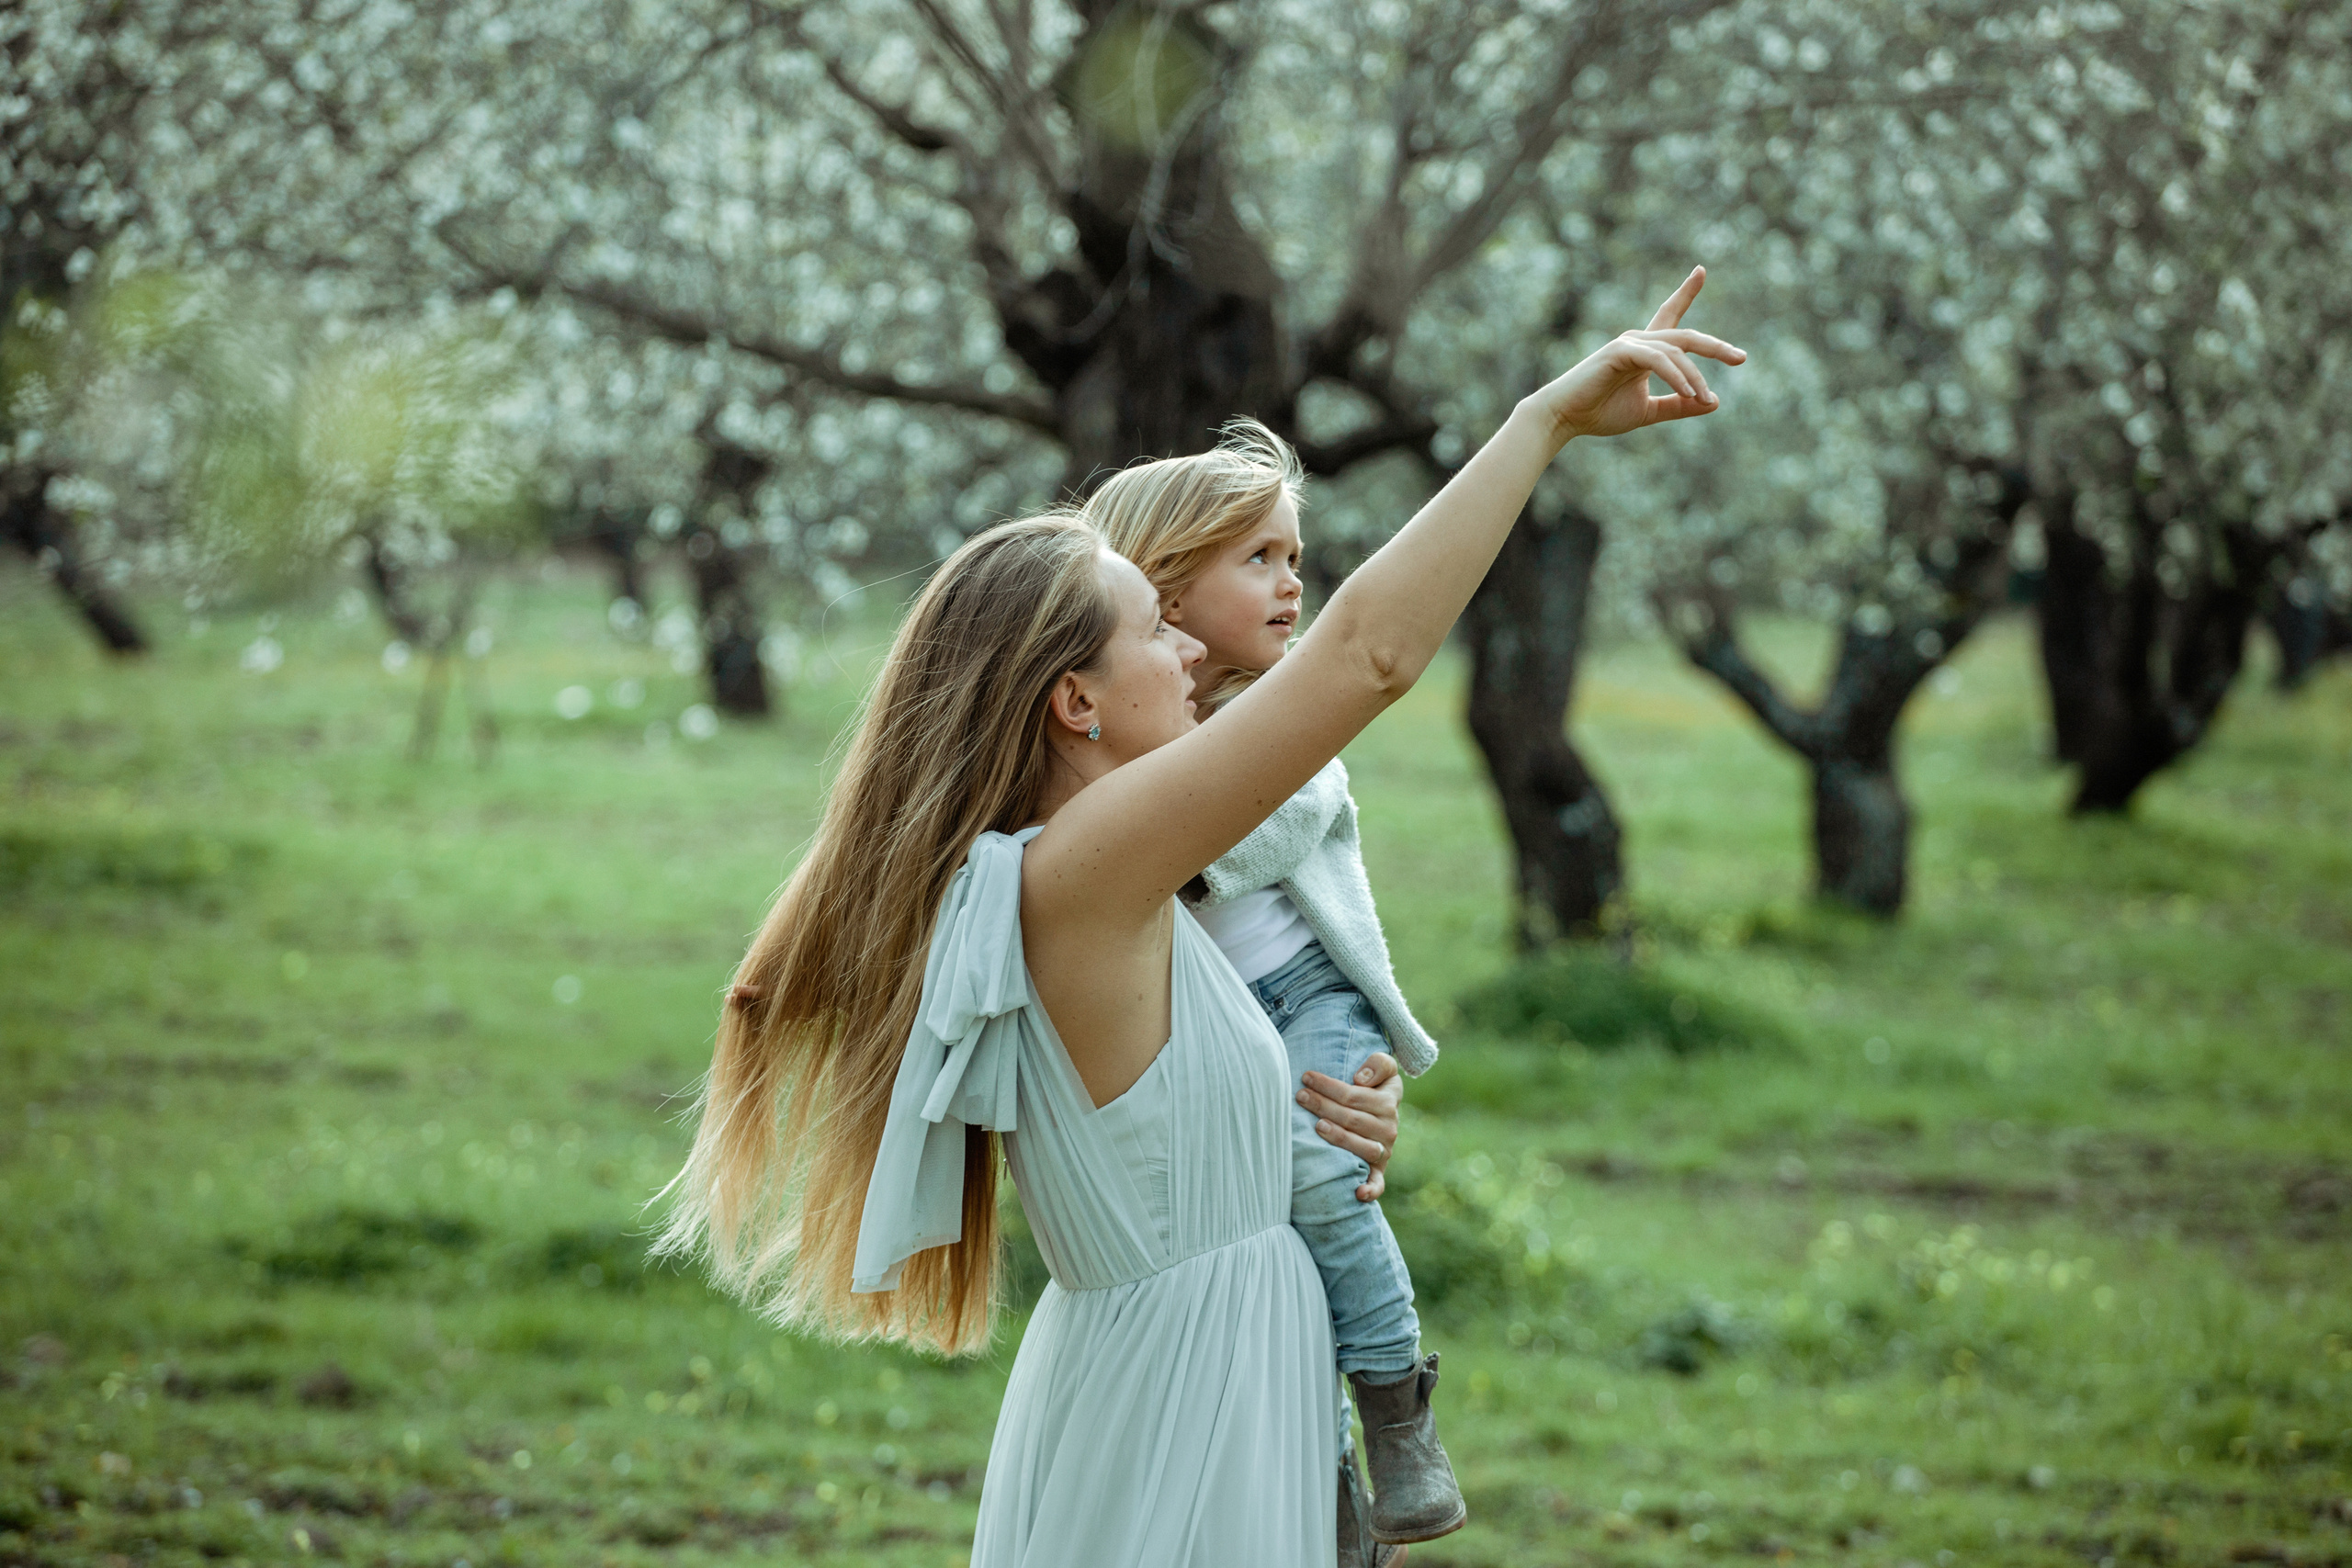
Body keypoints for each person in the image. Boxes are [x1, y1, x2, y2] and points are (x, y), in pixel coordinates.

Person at [656, 267, 1742, 1568]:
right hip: (1191, 1399)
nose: (1188, 651)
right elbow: (1369, 658)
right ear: (1075, 701)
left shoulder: (1093, 876)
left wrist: (1335, 1101)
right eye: (1149, 632)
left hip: (1196, 1376)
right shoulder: (1090, 861)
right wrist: (1542, 423)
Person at [1090, 431, 1466, 1551]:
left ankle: (1395, 1411)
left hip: (1303, 997)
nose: (1293, 580)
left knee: (1317, 1178)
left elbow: (1286, 812)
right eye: (1257, 557)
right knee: (1256, 1243)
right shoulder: (1108, 723)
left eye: (1294, 553)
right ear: (1160, 582)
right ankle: (1319, 1476)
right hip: (1193, 1027)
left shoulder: (1284, 706)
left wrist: (1170, 852)